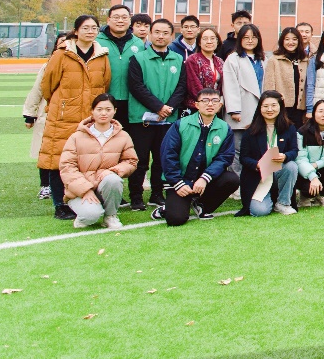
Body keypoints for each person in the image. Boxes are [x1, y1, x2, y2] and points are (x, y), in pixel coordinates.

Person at [41, 16, 112, 219]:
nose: (90, 31)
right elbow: (48, 85)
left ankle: (84, 198)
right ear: (76, 30)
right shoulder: (62, 54)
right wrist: (62, 104)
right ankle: (59, 204)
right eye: (86, 28)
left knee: (87, 159)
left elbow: (105, 84)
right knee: (58, 160)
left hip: (90, 117)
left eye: (94, 28)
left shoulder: (101, 55)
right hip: (63, 116)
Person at [125, 18, 186, 211]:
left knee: (162, 159)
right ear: (150, 34)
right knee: (140, 160)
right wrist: (158, 107)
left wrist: (169, 108)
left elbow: (181, 88)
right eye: (157, 32)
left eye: (165, 33)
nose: (161, 36)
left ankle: (157, 194)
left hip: (168, 120)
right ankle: (136, 196)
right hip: (142, 119)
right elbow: (136, 87)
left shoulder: (178, 59)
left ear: (171, 36)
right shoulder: (138, 58)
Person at [156, 86, 239, 224]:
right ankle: (166, 209)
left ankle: (201, 205)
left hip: (204, 181)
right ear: (196, 105)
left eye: (214, 101)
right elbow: (168, 155)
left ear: (220, 105)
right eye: (205, 100)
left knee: (232, 179)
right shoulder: (181, 125)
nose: (210, 104)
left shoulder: (224, 128)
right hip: (181, 180)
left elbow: (225, 157)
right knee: (176, 219)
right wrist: (178, 183)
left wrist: (205, 178)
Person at [59, 93, 138, 229]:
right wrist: (85, 190)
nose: (104, 113)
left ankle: (110, 216)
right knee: (91, 216)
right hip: (80, 190)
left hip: (105, 186)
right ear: (92, 111)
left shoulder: (123, 136)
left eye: (108, 109)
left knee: (113, 179)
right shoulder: (76, 137)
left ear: (115, 111)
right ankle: (86, 214)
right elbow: (67, 167)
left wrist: (113, 171)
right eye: (99, 109)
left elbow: (131, 161)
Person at [237, 90, 299, 216]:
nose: (269, 109)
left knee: (291, 166)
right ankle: (270, 199)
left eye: (273, 105)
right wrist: (257, 164)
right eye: (265, 106)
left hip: (278, 173)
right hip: (259, 177)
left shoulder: (289, 128)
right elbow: (243, 157)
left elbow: (294, 151)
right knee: (259, 211)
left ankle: (283, 203)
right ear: (260, 108)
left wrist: (285, 156)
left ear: (280, 107)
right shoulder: (250, 131)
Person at [24, 32, 70, 200]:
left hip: (70, 115)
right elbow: (37, 89)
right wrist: (30, 114)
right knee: (46, 151)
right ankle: (45, 186)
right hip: (48, 113)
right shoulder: (48, 65)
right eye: (61, 42)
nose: (64, 45)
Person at [222, 22, 265, 178]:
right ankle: (236, 181)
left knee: (256, 148)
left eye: (253, 37)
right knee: (237, 148)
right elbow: (229, 85)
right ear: (239, 39)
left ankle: (254, 181)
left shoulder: (262, 59)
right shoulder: (233, 59)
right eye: (246, 37)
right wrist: (234, 110)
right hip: (241, 109)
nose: (250, 40)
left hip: (258, 111)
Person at [98, 4, 145, 126]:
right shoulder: (97, 41)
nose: (120, 21)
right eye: (116, 17)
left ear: (129, 20)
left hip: (131, 100)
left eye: (124, 17)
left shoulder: (138, 43)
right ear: (108, 20)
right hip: (103, 100)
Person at [264, 26, 309, 130]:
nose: (291, 42)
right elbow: (269, 86)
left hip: (300, 109)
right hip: (281, 108)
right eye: (287, 39)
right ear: (282, 41)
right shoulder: (274, 60)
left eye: (294, 39)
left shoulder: (305, 60)